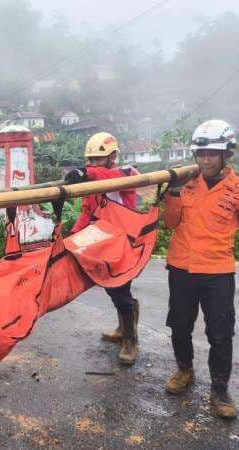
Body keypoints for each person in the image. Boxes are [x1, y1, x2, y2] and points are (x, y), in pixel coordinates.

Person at [163, 119, 239, 419]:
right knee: (179, 325)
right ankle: (184, 370)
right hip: (181, 268)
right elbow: (170, 224)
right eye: (200, 153)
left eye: (212, 153)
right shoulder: (184, 183)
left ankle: (220, 389)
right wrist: (172, 193)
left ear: (227, 155)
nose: (205, 159)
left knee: (220, 333)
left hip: (218, 273)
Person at [65, 132, 140, 365]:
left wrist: (86, 173)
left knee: (121, 290)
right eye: (90, 161)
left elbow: (109, 176)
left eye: (98, 160)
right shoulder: (94, 184)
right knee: (111, 288)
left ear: (113, 157)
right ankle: (122, 327)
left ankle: (130, 340)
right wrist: (73, 235)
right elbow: (87, 212)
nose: (93, 164)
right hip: (102, 242)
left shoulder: (127, 174)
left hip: (123, 243)